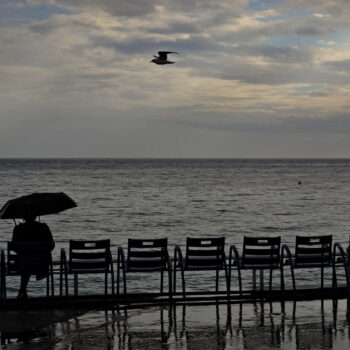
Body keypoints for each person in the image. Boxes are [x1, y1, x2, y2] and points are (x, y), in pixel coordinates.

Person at [11, 215, 55, 298]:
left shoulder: (18, 229)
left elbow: (14, 247)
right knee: (31, 261)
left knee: (26, 262)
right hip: (41, 265)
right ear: (35, 216)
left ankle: (22, 290)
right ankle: (23, 290)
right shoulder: (43, 227)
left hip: (22, 265)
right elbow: (51, 245)